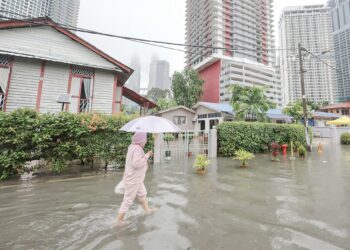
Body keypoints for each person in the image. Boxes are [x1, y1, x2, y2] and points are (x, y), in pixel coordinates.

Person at [115, 132, 157, 225]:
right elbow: (136, 164)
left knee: (142, 193)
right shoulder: (137, 149)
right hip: (133, 179)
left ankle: (147, 210)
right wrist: (147, 155)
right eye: (145, 140)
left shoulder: (132, 146)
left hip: (136, 178)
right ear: (141, 141)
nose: (145, 142)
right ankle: (119, 221)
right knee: (128, 199)